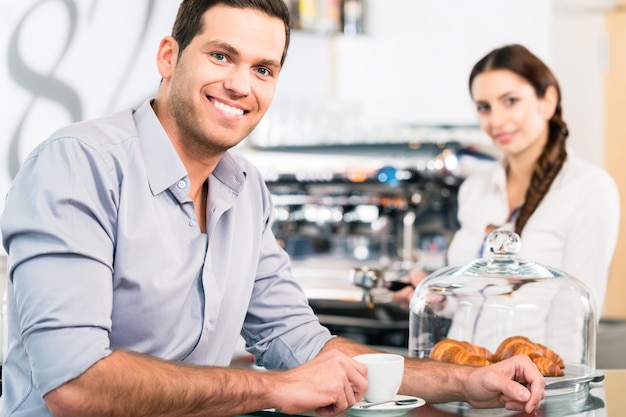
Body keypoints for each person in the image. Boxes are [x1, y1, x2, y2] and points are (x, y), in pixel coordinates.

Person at [0, 3, 546, 416]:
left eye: (264, 69)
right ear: (170, 57)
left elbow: (304, 345)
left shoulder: (246, 188)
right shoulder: (78, 164)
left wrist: (467, 382)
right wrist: (274, 388)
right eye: (221, 55)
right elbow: (75, 381)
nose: (240, 84)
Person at [393, 44, 620, 320]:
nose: (496, 120)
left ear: (547, 101)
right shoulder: (474, 190)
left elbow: (578, 314)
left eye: (510, 101)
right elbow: (473, 303)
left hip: (536, 364)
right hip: (464, 362)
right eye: (484, 107)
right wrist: (436, 299)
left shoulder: (588, 188)